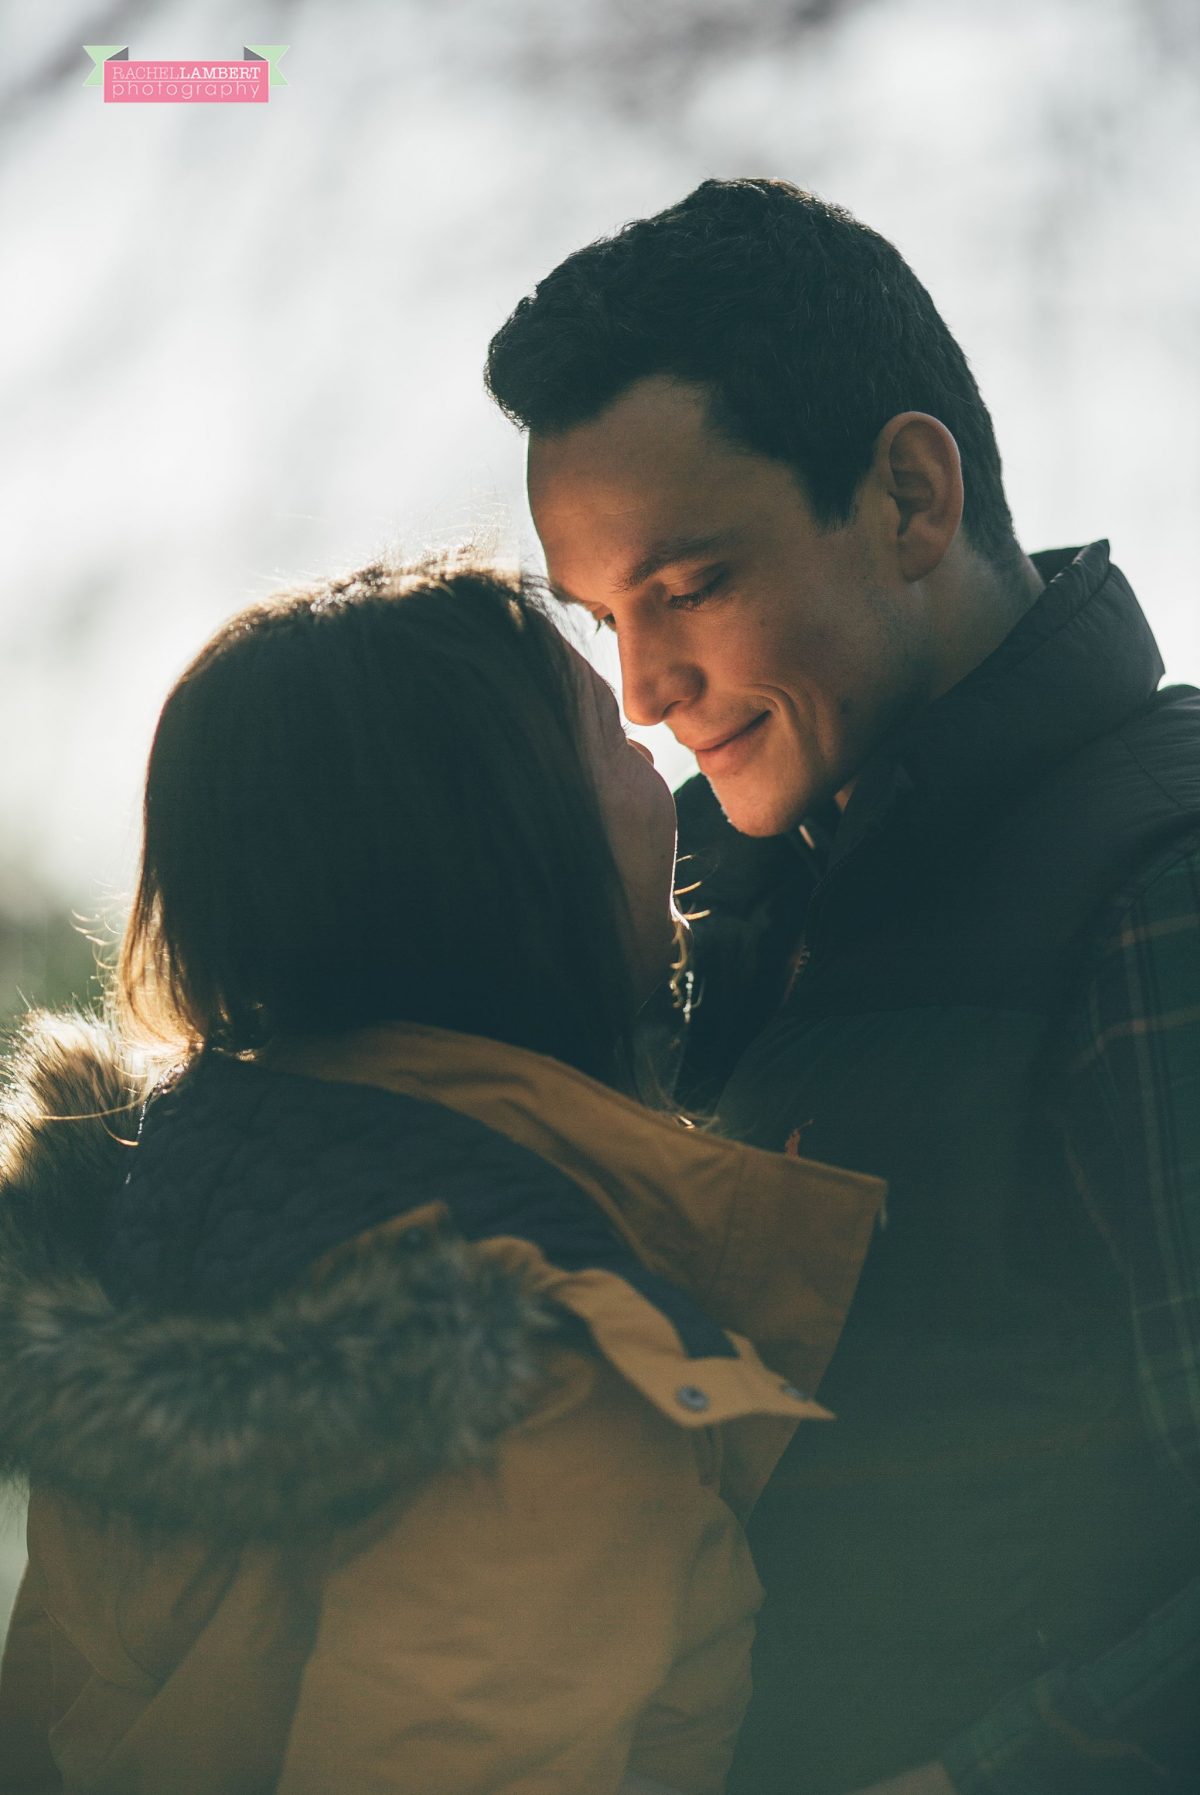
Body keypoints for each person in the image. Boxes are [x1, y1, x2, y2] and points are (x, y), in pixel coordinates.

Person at [484, 179, 1200, 1794]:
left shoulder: (1166, 879)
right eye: (604, 621)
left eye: (685, 589)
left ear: (907, 496)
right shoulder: (716, 905)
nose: (648, 694)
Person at [0, 556, 881, 1795]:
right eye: (612, 745)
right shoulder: (539, 1369)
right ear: (509, 847)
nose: (662, 771)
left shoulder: (146, 1229)